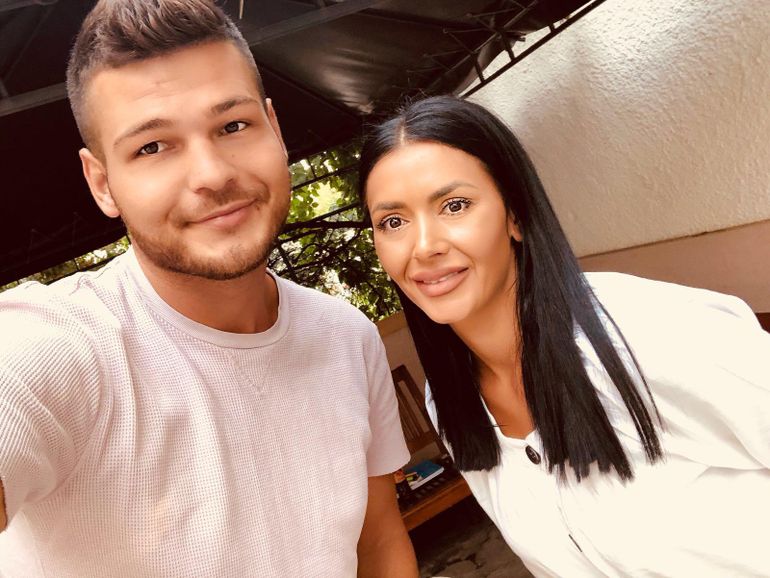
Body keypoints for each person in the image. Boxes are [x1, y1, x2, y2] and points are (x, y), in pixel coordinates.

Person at [0, 1, 419, 576]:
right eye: (152, 147)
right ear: (102, 184)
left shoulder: (347, 337)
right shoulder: (62, 345)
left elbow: (378, 543)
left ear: (274, 128)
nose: (213, 174)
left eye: (233, 126)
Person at [358, 95, 770, 577]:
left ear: (514, 214)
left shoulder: (652, 332)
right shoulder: (450, 403)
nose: (424, 245)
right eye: (393, 222)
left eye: (455, 205)